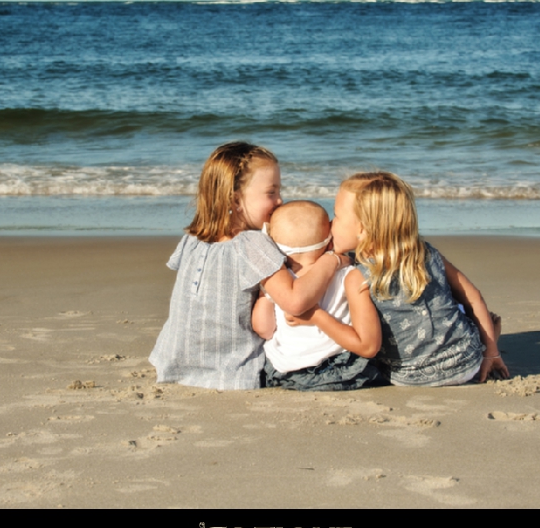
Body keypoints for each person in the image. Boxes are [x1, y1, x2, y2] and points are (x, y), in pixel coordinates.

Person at [149, 142, 349, 390]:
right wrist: (333, 259)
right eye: (271, 192)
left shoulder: (192, 239)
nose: (280, 200)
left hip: (174, 360)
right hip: (231, 369)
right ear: (236, 200)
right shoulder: (252, 244)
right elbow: (295, 301)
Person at [325, 171, 508, 386]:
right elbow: (473, 297)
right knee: (457, 306)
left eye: (336, 216)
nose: (330, 223)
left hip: (409, 376)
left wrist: (315, 316)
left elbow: (367, 347)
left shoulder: (358, 278)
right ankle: (486, 338)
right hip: (467, 363)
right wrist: (491, 353)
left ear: (363, 229)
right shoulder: (426, 252)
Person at [253, 200, 382, 391]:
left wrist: (264, 295)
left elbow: (264, 329)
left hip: (288, 370)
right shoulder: (346, 273)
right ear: (329, 243)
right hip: (339, 367)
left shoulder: (278, 284)